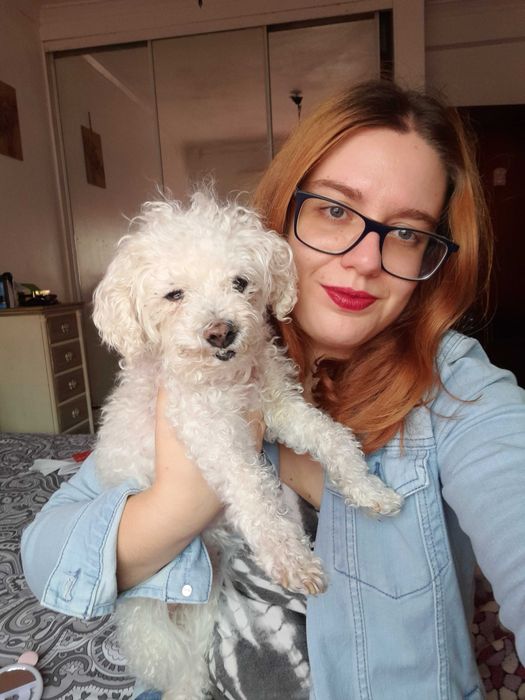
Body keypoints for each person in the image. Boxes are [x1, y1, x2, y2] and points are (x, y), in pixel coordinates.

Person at [21, 79, 525, 700]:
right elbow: (46, 556)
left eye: (406, 233)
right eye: (336, 211)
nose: (366, 260)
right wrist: (181, 500)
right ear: (283, 215)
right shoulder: (180, 374)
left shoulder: (458, 387)